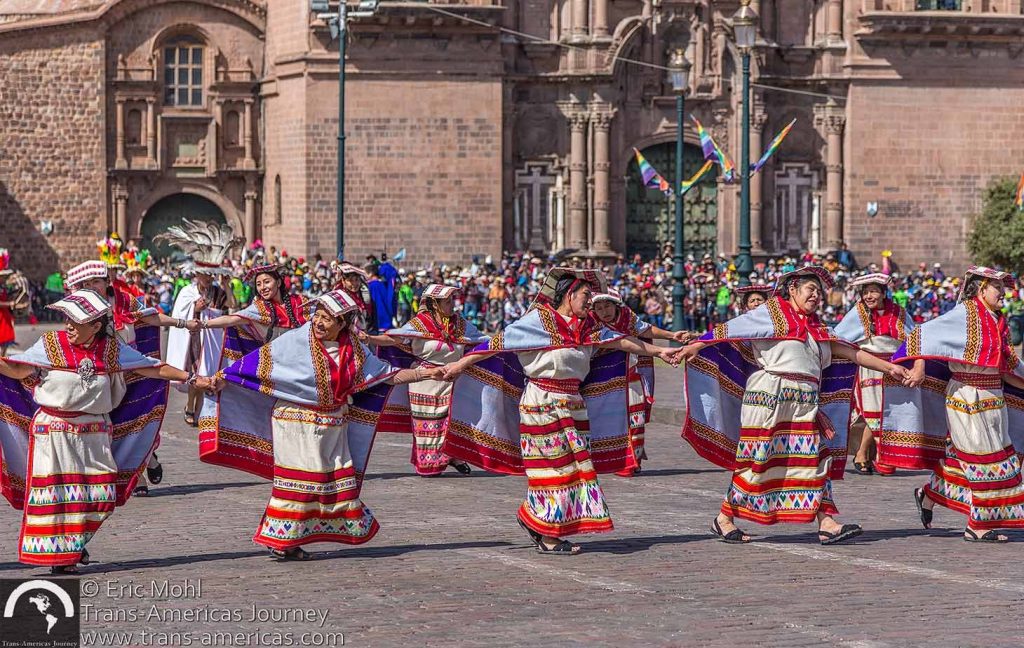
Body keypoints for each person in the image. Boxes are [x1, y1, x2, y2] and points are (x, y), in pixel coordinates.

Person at [440, 268, 681, 555]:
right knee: (553, 468)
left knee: (573, 469)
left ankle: (534, 518)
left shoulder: (587, 327)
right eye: (585, 295)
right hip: (542, 401)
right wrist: (459, 365)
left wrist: (658, 352)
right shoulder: (538, 322)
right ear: (569, 295)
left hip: (573, 403)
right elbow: (496, 343)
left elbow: (620, 340)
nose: (590, 302)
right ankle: (547, 534)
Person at [679, 266, 912, 545]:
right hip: (769, 398)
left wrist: (889, 368)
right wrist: (696, 346)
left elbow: (852, 352)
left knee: (815, 459)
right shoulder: (769, 315)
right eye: (810, 289)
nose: (816, 296)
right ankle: (724, 517)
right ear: (792, 289)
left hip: (805, 402)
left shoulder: (817, 329)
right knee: (759, 462)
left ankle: (827, 522)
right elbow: (727, 330)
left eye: (819, 291)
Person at [206, 290, 441, 560]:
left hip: (332, 425)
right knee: (303, 479)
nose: (318, 322)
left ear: (342, 324)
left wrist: (425, 372)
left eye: (327, 319)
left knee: (331, 481)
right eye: (317, 316)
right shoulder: (297, 341)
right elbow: (258, 363)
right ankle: (281, 539)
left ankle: (289, 540)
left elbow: (386, 375)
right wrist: (225, 376)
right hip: (295, 421)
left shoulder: (354, 349)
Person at [0, 289, 212, 573]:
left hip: (94, 433)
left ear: (96, 326)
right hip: (54, 432)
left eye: (76, 322)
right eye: (67, 320)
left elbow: (154, 368)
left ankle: (73, 544)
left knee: (100, 494)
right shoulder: (51, 343)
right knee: (57, 497)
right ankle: (61, 558)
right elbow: (17, 370)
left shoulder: (112, 350)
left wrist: (193, 378)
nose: (69, 326)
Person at [882, 266, 1024, 543]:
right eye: (998, 288)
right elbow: (922, 335)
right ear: (981, 288)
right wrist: (920, 367)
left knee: (969, 460)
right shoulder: (963, 315)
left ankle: (929, 494)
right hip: (966, 396)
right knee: (987, 458)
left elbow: (1007, 369)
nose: (1003, 294)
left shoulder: (999, 322)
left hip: (994, 397)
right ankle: (978, 524)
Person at [367, 284, 488, 476]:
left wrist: (504, 342)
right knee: (429, 423)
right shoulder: (419, 323)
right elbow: (395, 339)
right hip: (424, 381)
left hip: (451, 378)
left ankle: (452, 456)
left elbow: (482, 340)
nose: (452, 306)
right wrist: (370, 339)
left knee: (450, 421)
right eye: (447, 302)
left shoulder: (459, 324)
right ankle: (430, 463)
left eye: (451, 301)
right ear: (435, 305)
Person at [591, 288, 695, 476]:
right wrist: (658, 351)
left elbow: (644, 329)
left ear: (616, 306)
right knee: (610, 421)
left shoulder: (626, 317)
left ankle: (632, 461)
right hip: (603, 380)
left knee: (635, 420)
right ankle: (615, 459)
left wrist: (672, 335)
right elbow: (623, 342)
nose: (603, 311)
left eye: (607, 306)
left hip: (631, 375)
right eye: (598, 308)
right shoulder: (592, 324)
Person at [156, 220, 244, 427]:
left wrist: (227, 286)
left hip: (212, 340)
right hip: (193, 340)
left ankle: (198, 409)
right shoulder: (188, 292)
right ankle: (190, 406)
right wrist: (195, 309)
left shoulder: (218, 292)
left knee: (208, 373)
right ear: (197, 274)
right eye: (205, 275)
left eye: (211, 275)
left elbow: (231, 305)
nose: (208, 279)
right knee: (197, 374)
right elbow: (182, 312)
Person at [834, 273, 915, 476]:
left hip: (894, 367)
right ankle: (868, 454)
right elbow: (839, 338)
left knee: (887, 412)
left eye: (874, 291)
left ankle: (875, 454)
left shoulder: (899, 313)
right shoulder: (856, 314)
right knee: (873, 411)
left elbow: (913, 339)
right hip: (868, 367)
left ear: (883, 293)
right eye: (866, 292)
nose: (869, 296)